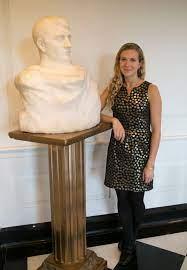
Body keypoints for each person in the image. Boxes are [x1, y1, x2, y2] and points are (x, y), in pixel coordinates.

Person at [100, 43, 162, 268]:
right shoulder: (113, 87)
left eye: (132, 60)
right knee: (122, 200)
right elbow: (92, 111)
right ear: (118, 63)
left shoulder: (150, 89)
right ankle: (128, 246)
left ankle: (128, 238)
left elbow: (156, 130)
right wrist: (113, 119)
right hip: (117, 150)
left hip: (140, 153)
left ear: (140, 63)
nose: (127, 64)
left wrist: (150, 164)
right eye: (123, 59)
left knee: (136, 200)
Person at [15, 16, 100, 133]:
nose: (68, 44)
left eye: (69, 37)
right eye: (60, 38)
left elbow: (93, 112)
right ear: (42, 44)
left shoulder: (84, 76)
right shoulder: (30, 80)